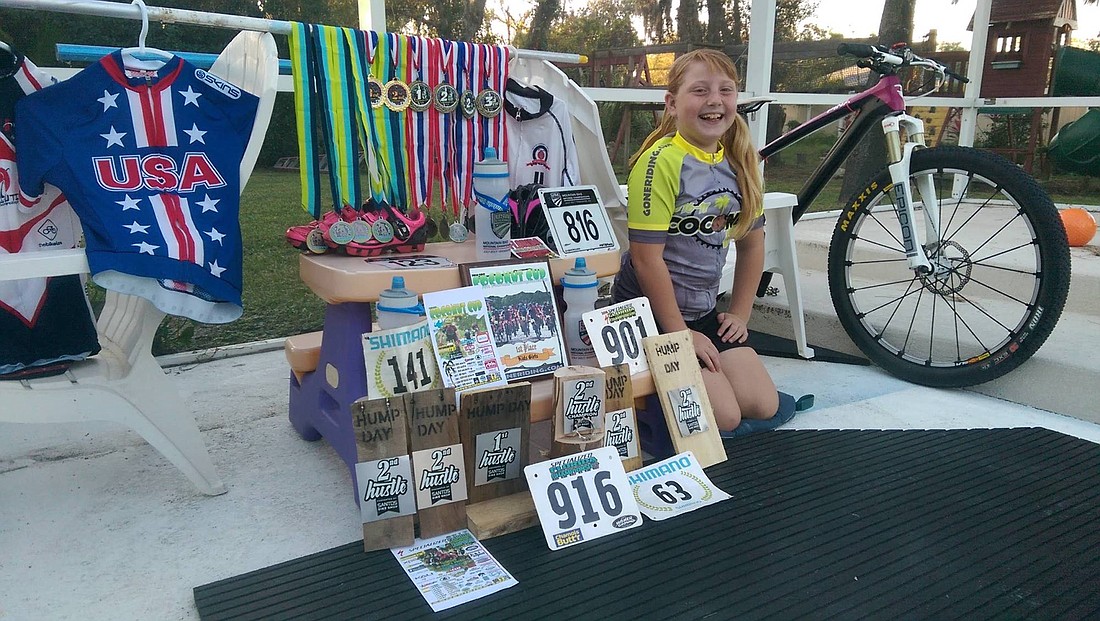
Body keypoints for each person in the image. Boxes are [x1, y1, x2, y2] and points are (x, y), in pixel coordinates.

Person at [611, 49, 781, 434]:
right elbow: (646, 260)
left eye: (726, 90)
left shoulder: (740, 161)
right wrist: (679, 333)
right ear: (672, 104)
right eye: (699, 90)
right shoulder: (660, 162)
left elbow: (754, 245)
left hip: (702, 312)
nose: (715, 101)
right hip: (650, 314)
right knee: (725, 416)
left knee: (762, 404)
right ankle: (643, 399)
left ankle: (690, 376)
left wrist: (739, 313)